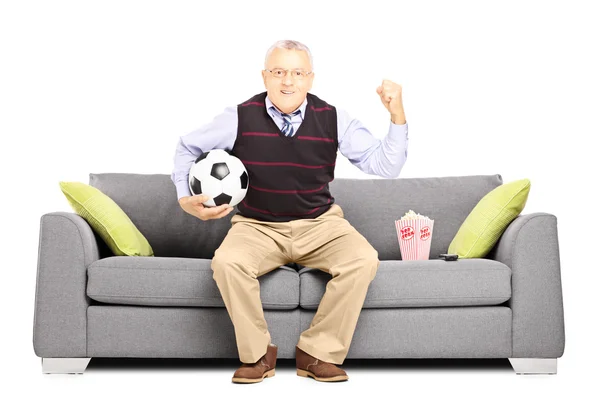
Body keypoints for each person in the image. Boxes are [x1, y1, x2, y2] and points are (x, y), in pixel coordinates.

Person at [171, 39, 408, 384]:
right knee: (227, 263)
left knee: (362, 259)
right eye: (279, 72)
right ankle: (257, 355)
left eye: (298, 73)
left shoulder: (334, 118)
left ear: (311, 79)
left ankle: (317, 353)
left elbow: (385, 165)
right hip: (257, 226)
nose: (288, 81)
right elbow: (187, 147)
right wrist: (183, 198)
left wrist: (397, 115)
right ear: (264, 77)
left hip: (320, 224)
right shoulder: (238, 117)